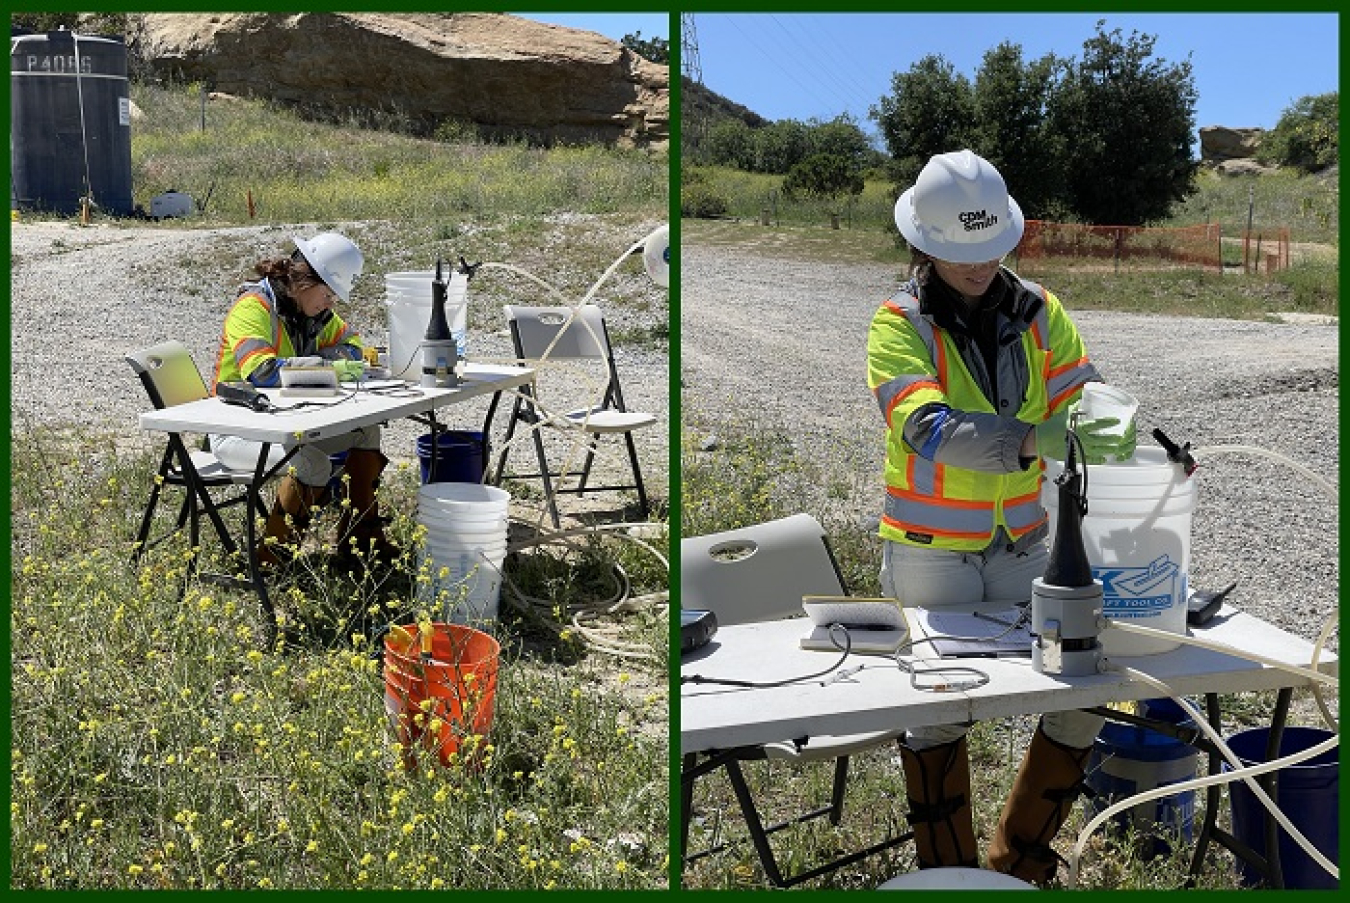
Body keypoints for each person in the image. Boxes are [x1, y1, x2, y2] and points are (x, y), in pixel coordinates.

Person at [866, 150, 1135, 884]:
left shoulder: (1042, 313)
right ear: (924, 245)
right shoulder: (897, 325)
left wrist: (1114, 424)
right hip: (930, 556)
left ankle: (1017, 863)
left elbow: (1084, 389)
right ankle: (950, 877)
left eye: (989, 250)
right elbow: (923, 425)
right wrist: (1031, 437)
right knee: (938, 714)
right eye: (960, 253)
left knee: (1079, 695)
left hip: (1024, 547)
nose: (979, 266)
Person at [210, 231, 395, 568]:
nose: (330, 303)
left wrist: (327, 360)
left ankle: (361, 539)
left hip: (285, 423)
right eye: (328, 294)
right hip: (237, 430)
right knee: (313, 464)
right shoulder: (253, 307)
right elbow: (261, 371)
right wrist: (327, 367)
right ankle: (270, 560)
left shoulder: (311, 313)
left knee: (366, 430)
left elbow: (353, 346)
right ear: (305, 280)